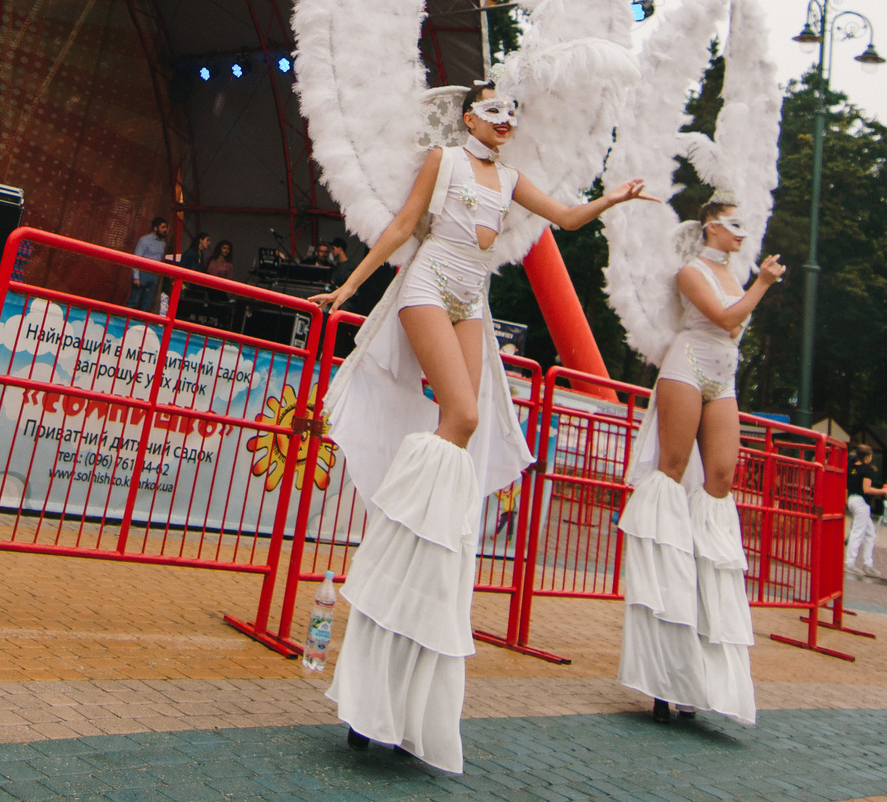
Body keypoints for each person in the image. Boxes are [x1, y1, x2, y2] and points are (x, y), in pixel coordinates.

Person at [314, 87, 653, 772]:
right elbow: (404, 226)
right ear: (467, 116)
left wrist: (611, 199)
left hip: (473, 297)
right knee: (463, 414)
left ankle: (432, 536)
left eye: (512, 115)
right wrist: (350, 288)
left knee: (464, 427)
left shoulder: (512, 179)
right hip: (427, 282)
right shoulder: (444, 160)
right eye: (494, 110)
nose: (505, 122)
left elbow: (566, 217)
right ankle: (405, 517)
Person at [619, 193, 787, 728]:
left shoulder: (732, 276)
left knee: (721, 478)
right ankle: (664, 602)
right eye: (735, 224)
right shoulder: (693, 272)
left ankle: (705, 619)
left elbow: (735, 326)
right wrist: (761, 283)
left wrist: (750, 287)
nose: (743, 233)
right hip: (688, 363)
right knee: (671, 469)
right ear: (712, 226)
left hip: (723, 371)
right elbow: (722, 316)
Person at [845, 454, 887, 580]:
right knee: (858, 532)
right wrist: (884, 491)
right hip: (861, 503)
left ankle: (868, 563)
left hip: (851, 499)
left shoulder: (852, 467)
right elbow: (867, 489)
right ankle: (850, 562)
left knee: (870, 533)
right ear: (868, 456)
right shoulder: (867, 470)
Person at [129, 217, 170, 313]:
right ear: (155, 228)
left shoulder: (163, 243)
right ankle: (125, 323)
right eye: (163, 227)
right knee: (133, 302)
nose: (165, 230)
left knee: (146, 305)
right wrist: (136, 277)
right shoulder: (145, 240)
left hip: (153, 276)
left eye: (166, 227)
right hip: (142, 274)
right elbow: (136, 258)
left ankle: (140, 326)